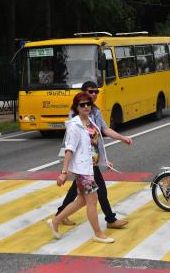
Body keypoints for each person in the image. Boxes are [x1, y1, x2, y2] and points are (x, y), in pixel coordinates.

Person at [56, 81, 133, 229]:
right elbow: (72, 145)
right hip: (83, 161)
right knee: (98, 192)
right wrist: (65, 171)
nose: (94, 95)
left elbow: (101, 132)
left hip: (91, 161)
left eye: (96, 92)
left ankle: (59, 216)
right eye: (90, 92)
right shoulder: (77, 115)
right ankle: (110, 220)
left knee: (80, 195)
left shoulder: (94, 112)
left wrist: (122, 139)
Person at [47, 92, 114, 243]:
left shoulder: (90, 121)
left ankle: (55, 221)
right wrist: (64, 172)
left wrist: (104, 161)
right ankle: (98, 233)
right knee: (92, 200)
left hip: (91, 166)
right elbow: (69, 149)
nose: (86, 107)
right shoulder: (75, 126)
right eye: (82, 105)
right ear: (76, 108)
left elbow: (94, 145)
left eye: (88, 104)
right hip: (84, 170)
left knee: (81, 200)